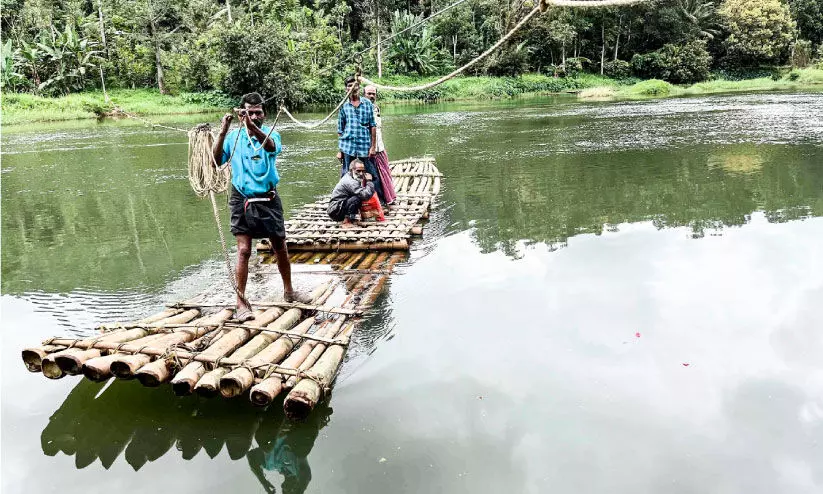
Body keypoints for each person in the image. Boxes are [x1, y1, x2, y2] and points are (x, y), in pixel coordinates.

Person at [212, 92, 308, 322]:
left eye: (258, 112)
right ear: (242, 112)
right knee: (244, 250)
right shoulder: (234, 137)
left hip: (268, 197)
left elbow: (270, 146)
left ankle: (289, 291)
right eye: (250, 112)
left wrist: (252, 127)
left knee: (279, 246)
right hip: (241, 198)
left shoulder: (272, 133)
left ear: (264, 114)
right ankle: (241, 302)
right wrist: (223, 130)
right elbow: (216, 161)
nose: (255, 116)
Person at [336, 76, 386, 204]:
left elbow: (372, 126)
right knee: (347, 175)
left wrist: (373, 147)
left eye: (355, 85)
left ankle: (379, 201)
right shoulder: (343, 106)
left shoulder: (367, 103)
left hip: (364, 146)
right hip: (348, 147)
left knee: (372, 174)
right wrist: (340, 150)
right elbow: (340, 129)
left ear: (359, 87)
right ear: (346, 89)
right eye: (349, 85)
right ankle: (345, 203)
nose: (352, 88)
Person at [363, 85, 397, 205]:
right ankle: (374, 201)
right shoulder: (361, 108)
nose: (372, 96)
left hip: (379, 147)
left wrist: (377, 147)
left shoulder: (376, 108)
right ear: (364, 94)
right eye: (369, 93)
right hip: (368, 148)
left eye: (373, 94)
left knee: (384, 173)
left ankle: (386, 199)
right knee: (371, 175)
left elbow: (377, 129)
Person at [327, 159, 376, 229]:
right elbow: (365, 195)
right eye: (358, 171)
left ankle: (352, 219)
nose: (361, 173)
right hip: (335, 211)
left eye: (363, 171)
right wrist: (369, 181)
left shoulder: (351, 176)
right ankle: (346, 221)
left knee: (357, 197)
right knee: (357, 198)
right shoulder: (350, 181)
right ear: (351, 170)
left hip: (339, 207)